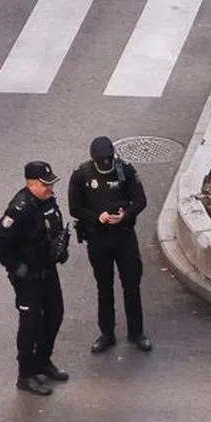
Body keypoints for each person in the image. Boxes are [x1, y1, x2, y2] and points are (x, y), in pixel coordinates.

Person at [0, 161, 71, 396]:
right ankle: (25, 375)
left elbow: (52, 230)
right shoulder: (20, 208)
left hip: (47, 270)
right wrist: (15, 267)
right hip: (28, 278)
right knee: (30, 324)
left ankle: (42, 361)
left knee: (55, 314)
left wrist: (60, 248)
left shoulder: (48, 202)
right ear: (32, 183)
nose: (51, 188)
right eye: (46, 184)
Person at [68, 136, 152, 353]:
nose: (106, 163)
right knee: (104, 287)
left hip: (124, 236)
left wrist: (125, 215)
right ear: (92, 158)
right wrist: (98, 217)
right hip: (98, 238)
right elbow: (75, 208)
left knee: (131, 284)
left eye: (108, 159)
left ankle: (136, 332)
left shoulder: (125, 171)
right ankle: (107, 333)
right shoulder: (81, 175)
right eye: (101, 160)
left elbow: (140, 200)